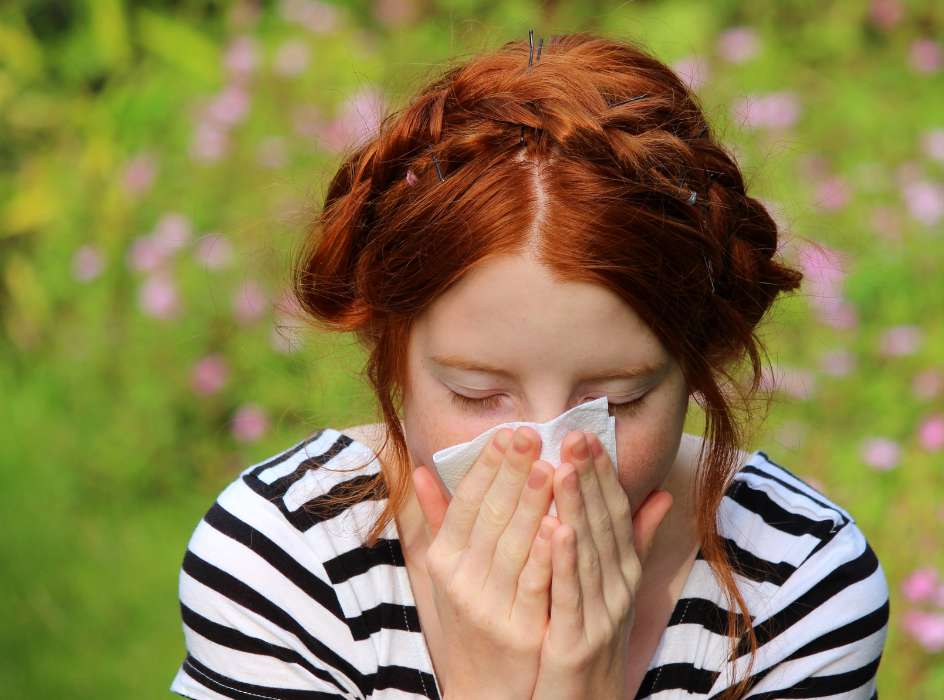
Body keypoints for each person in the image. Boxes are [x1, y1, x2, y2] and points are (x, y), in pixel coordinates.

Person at [169, 30, 889, 700]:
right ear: (393, 357)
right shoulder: (283, 559)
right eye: (477, 393)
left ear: (696, 363)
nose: (550, 460)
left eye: (620, 399)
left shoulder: (798, 581)